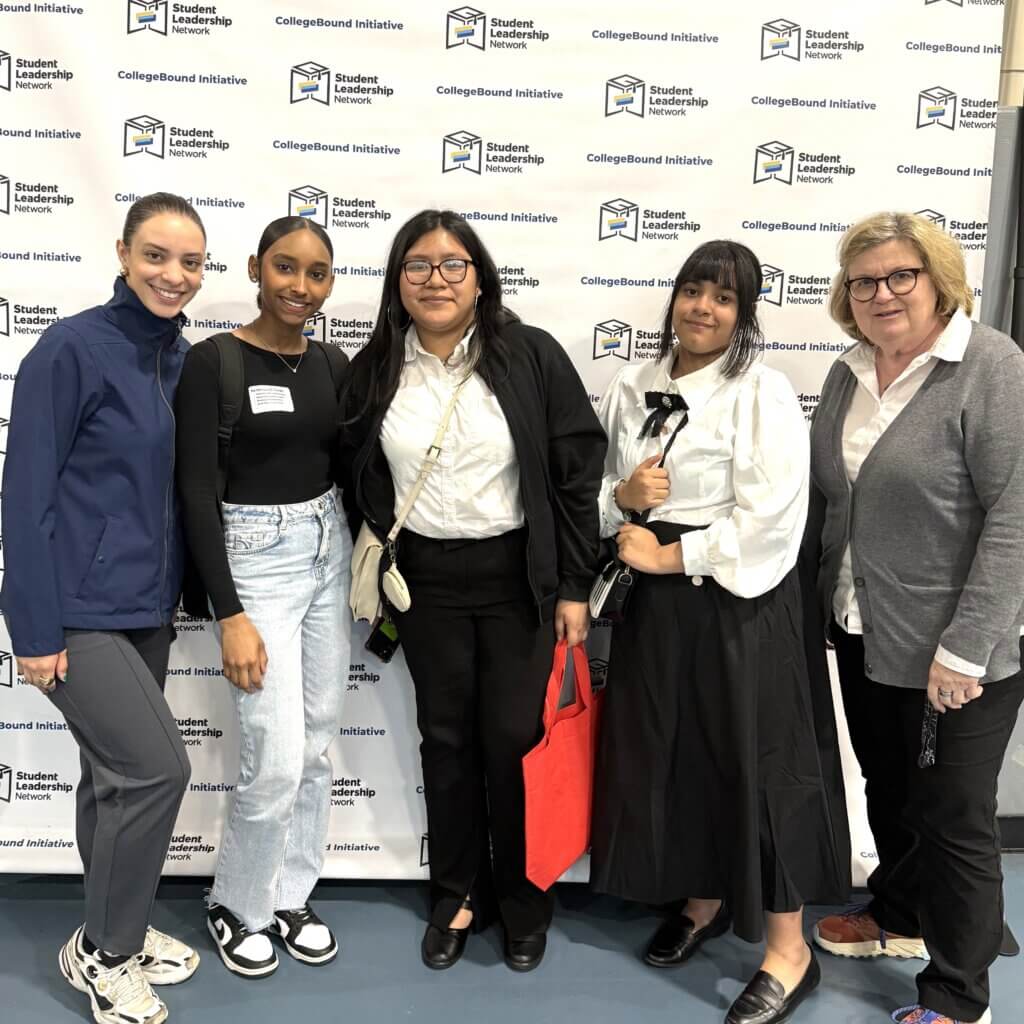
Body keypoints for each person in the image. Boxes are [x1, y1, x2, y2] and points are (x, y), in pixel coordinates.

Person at [338, 209, 605, 973]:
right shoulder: (379, 367)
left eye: (453, 265)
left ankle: (523, 901)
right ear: (398, 283)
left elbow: (576, 469)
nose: (435, 280)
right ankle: (457, 892)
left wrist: (574, 583)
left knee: (514, 742)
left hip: (519, 576)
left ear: (480, 277)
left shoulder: (529, 355)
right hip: (425, 582)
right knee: (446, 742)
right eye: (417, 266)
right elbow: (356, 463)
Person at [590, 240, 850, 1024]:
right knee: (677, 752)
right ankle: (702, 898)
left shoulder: (762, 393)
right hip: (657, 609)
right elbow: (603, 491)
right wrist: (621, 500)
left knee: (760, 763)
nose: (703, 308)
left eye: (724, 298)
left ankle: (787, 949)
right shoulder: (633, 385)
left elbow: (775, 518)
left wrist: (677, 555)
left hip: (740, 598)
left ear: (744, 314)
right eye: (693, 290)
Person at [807, 212, 1024, 1024]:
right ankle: (898, 917)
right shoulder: (848, 372)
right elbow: (836, 499)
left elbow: (1015, 516)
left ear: (940, 281)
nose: (882, 293)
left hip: (957, 653)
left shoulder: (990, 367)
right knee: (891, 793)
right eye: (864, 281)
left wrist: (965, 651)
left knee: (956, 820)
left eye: (902, 276)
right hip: (866, 632)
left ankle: (959, 995)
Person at [0, 193, 206, 1024]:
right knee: (159, 769)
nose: (174, 275)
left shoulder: (179, 358)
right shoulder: (72, 347)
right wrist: (36, 630)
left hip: (146, 607)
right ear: (123, 253)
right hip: (76, 608)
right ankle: (106, 955)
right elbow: (25, 496)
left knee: (111, 780)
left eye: (191, 262)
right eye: (157, 255)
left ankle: (110, 924)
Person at [175, 216, 351, 978]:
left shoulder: (333, 362)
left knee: (314, 744)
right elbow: (194, 492)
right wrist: (231, 612)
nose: (300, 287)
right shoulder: (214, 361)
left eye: (316, 274)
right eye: (285, 268)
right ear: (254, 267)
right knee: (275, 757)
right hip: (255, 562)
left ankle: (290, 893)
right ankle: (237, 903)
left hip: (328, 548)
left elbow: (346, 462)